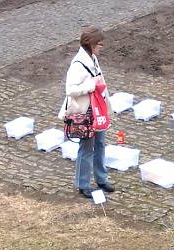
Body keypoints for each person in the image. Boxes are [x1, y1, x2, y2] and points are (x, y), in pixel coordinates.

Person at [59, 26, 115, 199]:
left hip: (98, 109)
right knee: (87, 148)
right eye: (100, 44)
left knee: (100, 144)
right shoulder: (78, 64)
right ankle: (83, 184)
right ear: (91, 44)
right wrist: (91, 86)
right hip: (86, 113)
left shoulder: (92, 58)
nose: (101, 47)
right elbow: (70, 89)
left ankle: (101, 178)